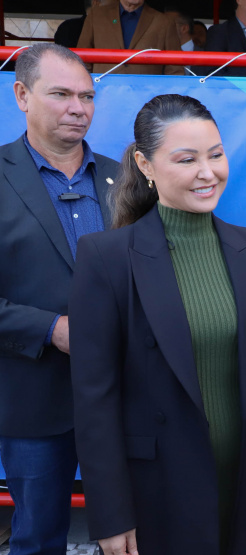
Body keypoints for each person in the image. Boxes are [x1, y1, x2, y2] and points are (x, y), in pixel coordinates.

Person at [69, 94, 246, 555]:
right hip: (158, 490)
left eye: (216, 154)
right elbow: (94, 399)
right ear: (146, 164)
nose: (208, 172)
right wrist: (110, 513)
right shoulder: (106, 258)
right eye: (187, 159)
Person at [0, 42, 119, 555]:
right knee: (38, 538)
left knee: (138, 532)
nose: (78, 107)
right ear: (22, 95)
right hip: (33, 403)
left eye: (87, 96)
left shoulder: (130, 179)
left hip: (126, 398)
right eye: (61, 94)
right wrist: (53, 328)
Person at [77, 0, 183, 75]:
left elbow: (174, 69)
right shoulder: (96, 16)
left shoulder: (164, 22)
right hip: (103, 93)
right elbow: (82, 59)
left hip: (148, 98)